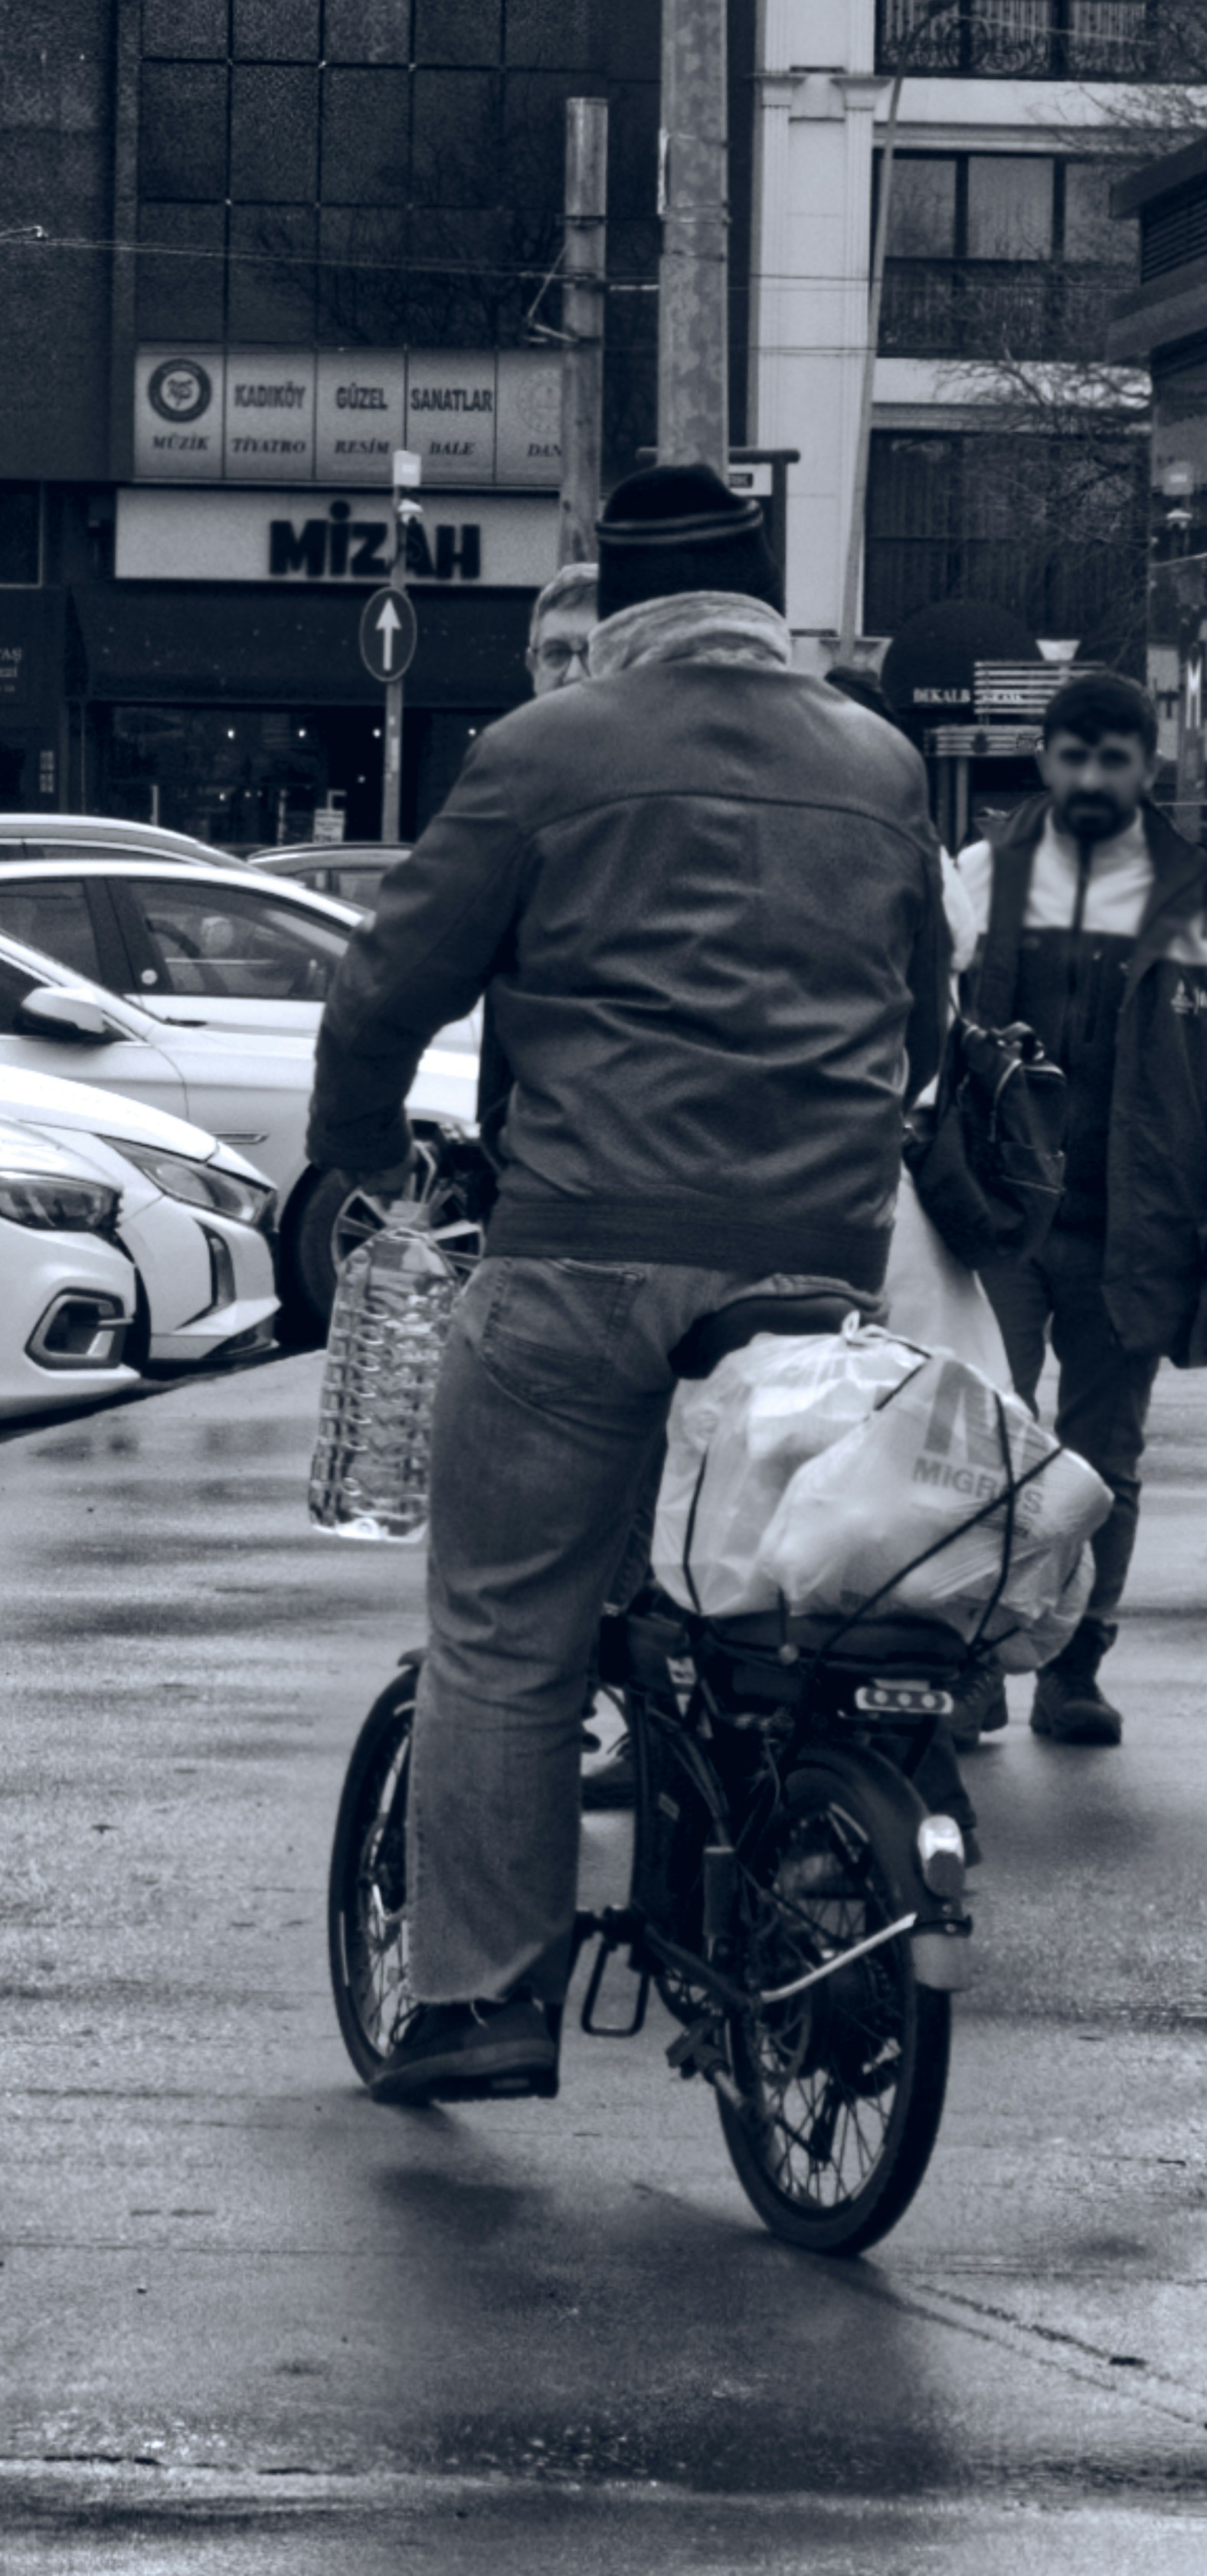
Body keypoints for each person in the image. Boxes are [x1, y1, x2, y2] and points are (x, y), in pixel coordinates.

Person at [306, 462, 952, 2106]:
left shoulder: (543, 754)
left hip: (583, 1250)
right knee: (773, 1608)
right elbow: (924, 1019)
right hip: (817, 1269)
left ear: (623, 608)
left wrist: (357, 1158)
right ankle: (795, 1883)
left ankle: (482, 1998)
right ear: (761, 606)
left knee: (505, 1625)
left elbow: (388, 984)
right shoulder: (879, 763)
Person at [958, 670, 1207, 1746]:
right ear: (1046, 758)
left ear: (1148, 765)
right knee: (981, 1452)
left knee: (1102, 1461)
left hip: (1133, 1224)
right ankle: (969, 1663)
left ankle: (1073, 1666)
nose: (1094, 778)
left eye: (1116, 758)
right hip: (1000, 1218)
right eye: (1076, 756)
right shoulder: (983, 876)